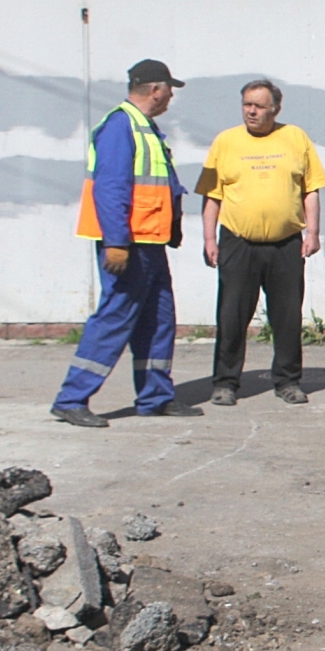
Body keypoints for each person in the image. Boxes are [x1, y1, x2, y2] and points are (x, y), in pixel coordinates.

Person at [53, 59, 196, 427]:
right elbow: (111, 189)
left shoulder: (146, 127)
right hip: (129, 245)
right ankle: (72, 399)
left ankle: (155, 397)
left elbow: (162, 184)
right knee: (115, 319)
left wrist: (173, 224)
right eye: (169, 90)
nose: (170, 97)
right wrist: (117, 242)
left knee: (158, 321)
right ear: (156, 89)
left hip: (151, 242)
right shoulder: (121, 126)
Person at [196, 79, 325, 407]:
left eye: (258, 105)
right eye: (246, 105)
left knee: (286, 316)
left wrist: (312, 233)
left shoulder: (295, 137)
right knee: (231, 316)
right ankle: (225, 383)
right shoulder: (225, 142)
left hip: (285, 244)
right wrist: (208, 238)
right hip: (238, 243)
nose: (251, 111)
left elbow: (310, 188)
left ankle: (287, 381)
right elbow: (212, 196)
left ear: (275, 108)